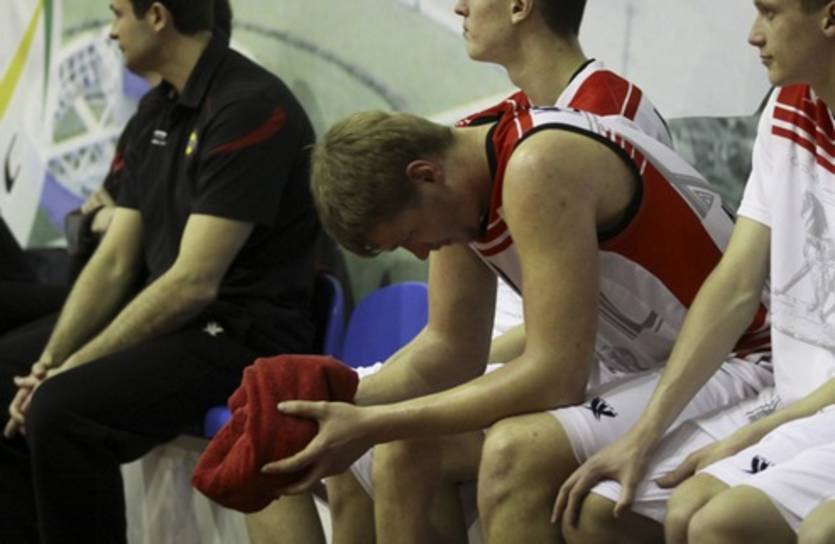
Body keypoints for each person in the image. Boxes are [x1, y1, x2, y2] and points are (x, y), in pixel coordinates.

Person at [263, 85, 774, 544]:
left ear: (425, 175)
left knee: (514, 452)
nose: (419, 253)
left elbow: (556, 378)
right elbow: (449, 350)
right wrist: (331, 404)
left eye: (410, 236)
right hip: (642, 362)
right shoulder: (459, 176)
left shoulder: (536, 166)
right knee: (404, 447)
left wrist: (372, 422)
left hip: (732, 354)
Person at [322, 1, 679, 541]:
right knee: (379, 446)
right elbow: (449, 344)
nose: (459, 6)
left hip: (654, 365)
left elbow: (560, 358)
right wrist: (332, 401)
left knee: (449, 448)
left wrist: (381, 414)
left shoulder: (601, 119)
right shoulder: (478, 141)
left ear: (519, 6)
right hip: (587, 359)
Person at [0, 0, 319, 542]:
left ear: (157, 16)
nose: (110, 31)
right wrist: (49, 361)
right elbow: (115, 261)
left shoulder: (247, 106)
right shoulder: (156, 110)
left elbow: (194, 282)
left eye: (118, 13)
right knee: (9, 373)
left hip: (243, 333)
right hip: (184, 317)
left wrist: (67, 370)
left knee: (59, 409)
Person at [552, 1, 835, 543]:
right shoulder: (788, 106)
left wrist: (765, 429)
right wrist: (645, 432)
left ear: (830, 18)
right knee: (596, 511)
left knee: (714, 524)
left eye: (770, 13)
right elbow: (735, 284)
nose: (753, 35)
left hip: (812, 404)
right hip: (792, 393)